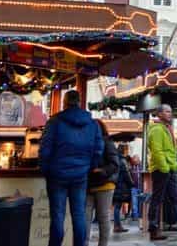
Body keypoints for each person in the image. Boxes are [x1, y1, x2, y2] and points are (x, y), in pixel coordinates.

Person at [39, 89, 102, 246]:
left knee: (58, 216)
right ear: (80, 102)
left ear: (64, 103)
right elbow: (98, 149)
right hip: (80, 175)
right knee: (79, 215)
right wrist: (89, 167)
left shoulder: (54, 122)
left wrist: (46, 169)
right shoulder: (92, 124)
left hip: (57, 175)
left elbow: (45, 149)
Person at [146, 104, 177, 240]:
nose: (170, 114)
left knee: (176, 198)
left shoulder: (166, 128)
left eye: (171, 111)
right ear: (159, 114)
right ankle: (153, 228)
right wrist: (165, 167)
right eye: (167, 111)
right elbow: (157, 151)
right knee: (157, 199)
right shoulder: (157, 129)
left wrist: (172, 166)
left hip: (170, 169)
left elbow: (170, 150)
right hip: (161, 170)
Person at [87, 120, 120, 246]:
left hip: (104, 184)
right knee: (85, 218)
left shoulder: (107, 142)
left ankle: (103, 244)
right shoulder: (87, 143)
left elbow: (114, 164)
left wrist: (101, 171)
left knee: (103, 217)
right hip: (88, 185)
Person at [112, 150, 136, 232]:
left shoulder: (116, 160)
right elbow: (126, 174)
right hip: (121, 187)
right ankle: (117, 226)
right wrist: (132, 183)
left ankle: (117, 225)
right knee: (117, 206)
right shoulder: (123, 161)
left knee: (117, 206)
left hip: (117, 186)